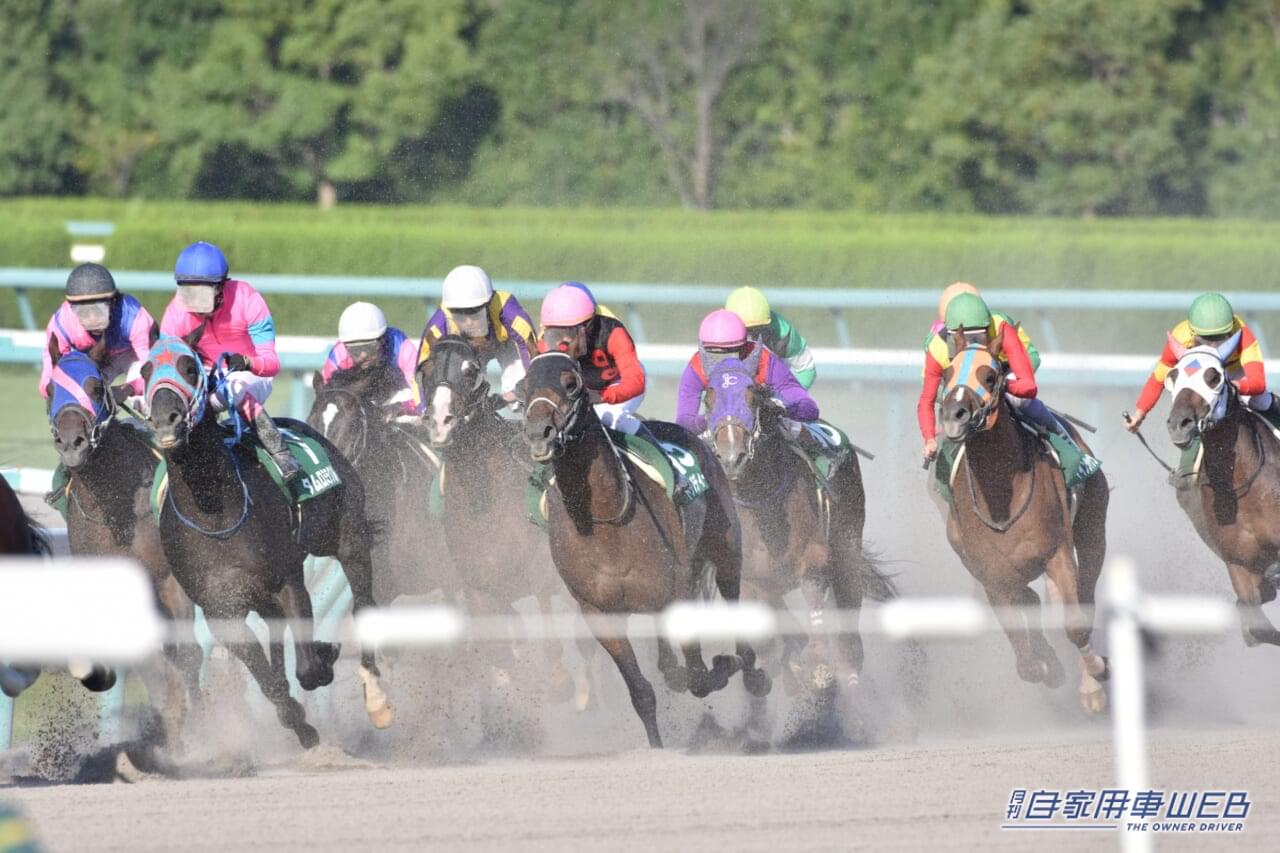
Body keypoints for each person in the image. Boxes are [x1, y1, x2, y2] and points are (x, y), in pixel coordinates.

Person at [159, 241, 300, 482]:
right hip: (204, 379)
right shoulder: (175, 313)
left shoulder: (247, 299)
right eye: (187, 292)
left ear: (220, 288)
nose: (193, 303)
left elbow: (272, 363)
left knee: (235, 386)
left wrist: (247, 362)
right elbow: (167, 366)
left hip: (250, 376)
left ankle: (280, 452)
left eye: (201, 294)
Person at [920, 293, 1100, 479]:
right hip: (962, 387)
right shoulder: (937, 348)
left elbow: (1028, 384)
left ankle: (1070, 449)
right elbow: (927, 400)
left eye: (978, 338)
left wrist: (1001, 386)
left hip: (1004, 372)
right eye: (964, 340)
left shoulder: (1001, 328)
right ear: (951, 338)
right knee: (952, 411)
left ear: (988, 329)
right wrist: (929, 438)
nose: (972, 347)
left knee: (1020, 401)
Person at [1124, 292, 1277, 433]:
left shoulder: (1244, 335)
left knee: (1260, 401)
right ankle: (1190, 460)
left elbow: (1258, 382)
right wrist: (1139, 414)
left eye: (1220, 339)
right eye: (1205, 340)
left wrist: (1234, 387)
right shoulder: (1180, 337)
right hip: (1199, 375)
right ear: (1192, 333)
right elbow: (1158, 380)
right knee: (1192, 407)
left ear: (1231, 331)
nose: (1213, 347)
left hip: (1234, 373)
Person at [676, 308, 818, 434]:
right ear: (703, 350)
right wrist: (713, 419)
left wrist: (780, 411)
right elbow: (684, 421)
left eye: (731, 353)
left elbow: (807, 407)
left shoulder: (763, 359)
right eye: (715, 354)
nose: (726, 363)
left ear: (745, 346)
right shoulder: (696, 365)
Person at [38, 263, 155, 405]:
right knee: (84, 396)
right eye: (83, 312)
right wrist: (49, 388)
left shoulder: (134, 316)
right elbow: (51, 371)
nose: (92, 318)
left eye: (98, 310)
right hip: (95, 359)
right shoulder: (62, 323)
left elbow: (152, 369)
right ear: (71, 308)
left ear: (112, 303)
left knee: (141, 401)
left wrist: (129, 388)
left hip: (132, 356)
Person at [538, 283, 645, 434]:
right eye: (555, 332)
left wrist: (602, 396)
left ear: (588, 326)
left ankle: (654, 452)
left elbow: (636, 381)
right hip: (582, 390)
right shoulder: (545, 342)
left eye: (569, 331)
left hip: (616, 384)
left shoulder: (613, 333)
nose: (563, 339)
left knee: (611, 418)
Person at [418, 265, 536, 400]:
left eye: (474, 312)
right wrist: (422, 410)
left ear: (488, 304)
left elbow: (532, 355)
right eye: (460, 314)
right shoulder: (438, 325)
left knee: (519, 388)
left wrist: (525, 391)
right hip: (467, 352)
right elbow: (421, 370)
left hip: (505, 346)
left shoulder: (508, 310)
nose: (468, 322)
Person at [320, 302, 420, 414]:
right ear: (346, 347)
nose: (363, 355)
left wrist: (400, 407)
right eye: (356, 350)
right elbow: (325, 403)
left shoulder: (401, 347)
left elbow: (422, 395)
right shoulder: (339, 356)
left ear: (382, 340)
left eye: (369, 348)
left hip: (399, 396)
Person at [724, 286, 816, 389]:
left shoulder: (783, 333)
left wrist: (786, 398)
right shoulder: (717, 333)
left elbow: (807, 370)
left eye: (758, 329)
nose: (751, 336)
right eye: (746, 330)